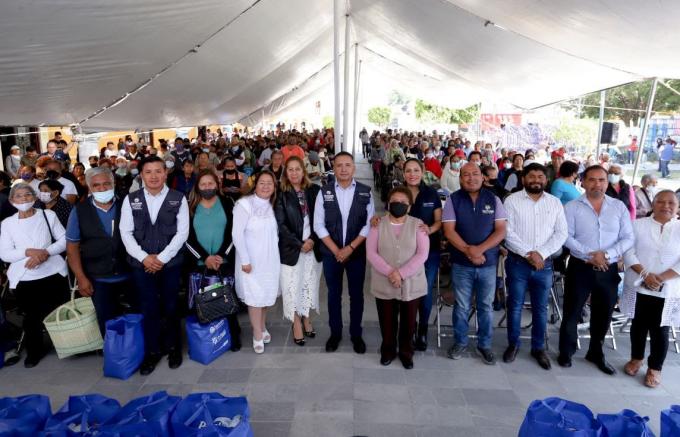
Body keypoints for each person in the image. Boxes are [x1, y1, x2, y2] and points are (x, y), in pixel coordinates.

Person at [558, 165, 634, 374]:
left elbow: (628, 237)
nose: (597, 184)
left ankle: (596, 353)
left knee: (603, 313)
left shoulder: (618, 207)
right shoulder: (572, 207)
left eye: (601, 180)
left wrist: (606, 255)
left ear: (607, 182)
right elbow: (566, 236)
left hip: (607, 268)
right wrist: (592, 255)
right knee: (572, 311)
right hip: (580, 266)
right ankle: (566, 352)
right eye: (592, 179)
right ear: (582, 181)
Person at [120, 156, 189, 375]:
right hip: (141, 265)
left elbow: (182, 233)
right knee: (148, 308)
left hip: (169, 264)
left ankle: (173, 347)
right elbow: (125, 232)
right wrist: (144, 258)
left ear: (165, 173)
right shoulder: (131, 199)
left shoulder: (178, 198)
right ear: (141, 175)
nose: (153, 176)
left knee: (170, 306)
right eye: (148, 172)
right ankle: (153, 351)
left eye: (158, 171)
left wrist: (161, 259)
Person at [502, 163, 568, 369]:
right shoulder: (512, 201)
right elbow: (507, 231)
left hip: (544, 264)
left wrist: (541, 254)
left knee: (541, 308)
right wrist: (528, 254)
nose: (536, 180)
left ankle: (538, 348)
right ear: (524, 179)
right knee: (515, 305)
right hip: (517, 263)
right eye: (532, 176)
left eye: (540, 177)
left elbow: (561, 233)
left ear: (546, 180)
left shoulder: (555, 203)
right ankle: (513, 344)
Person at [443, 162, 507, 365]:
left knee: (485, 306)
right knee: (461, 306)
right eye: (466, 175)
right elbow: (449, 231)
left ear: (483, 177)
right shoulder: (453, 200)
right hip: (462, 264)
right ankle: (460, 342)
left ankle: (484, 345)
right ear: (460, 178)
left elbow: (501, 230)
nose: (471, 178)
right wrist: (469, 251)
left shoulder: (494, 199)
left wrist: (479, 250)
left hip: (488, 264)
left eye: (475, 174)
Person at [0, 183, 69, 367]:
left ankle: (67, 344)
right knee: (31, 317)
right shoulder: (7, 224)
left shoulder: (48, 215)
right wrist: (29, 252)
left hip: (53, 270)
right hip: (25, 275)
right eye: (19, 196)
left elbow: (64, 240)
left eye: (28, 195)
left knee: (58, 310)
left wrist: (45, 253)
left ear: (35, 197)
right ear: (12, 201)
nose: (24, 199)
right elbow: (5, 253)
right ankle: (34, 351)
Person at [314, 152, 374, 354]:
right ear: (334, 167)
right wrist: (336, 250)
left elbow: (369, 225)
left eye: (347, 165)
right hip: (332, 254)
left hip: (356, 253)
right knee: (333, 295)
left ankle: (356, 334)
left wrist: (350, 248)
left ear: (354, 168)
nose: (343, 169)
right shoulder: (324, 192)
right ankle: (335, 333)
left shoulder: (366, 192)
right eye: (339, 165)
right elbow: (318, 225)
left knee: (356, 295)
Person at [621, 190, 680, 387]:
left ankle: (655, 368)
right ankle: (636, 358)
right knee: (638, 325)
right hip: (639, 284)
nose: (666, 206)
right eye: (661, 202)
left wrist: (661, 278)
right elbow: (628, 251)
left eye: (671, 202)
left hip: (667, 287)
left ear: (677, 206)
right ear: (652, 205)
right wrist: (646, 275)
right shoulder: (638, 225)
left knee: (660, 329)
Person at [66, 167, 133, 336]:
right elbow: (72, 247)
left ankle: (137, 354)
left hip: (130, 273)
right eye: (96, 186)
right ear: (89, 187)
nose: (102, 189)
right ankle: (115, 356)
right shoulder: (79, 211)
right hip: (98, 278)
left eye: (106, 184)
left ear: (114, 183)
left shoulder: (127, 204)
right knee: (108, 323)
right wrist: (81, 278)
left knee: (137, 319)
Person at [367, 187, 429, 369]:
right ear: (388, 203)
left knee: (409, 322)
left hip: (412, 282)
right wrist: (390, 272)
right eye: (395, 201)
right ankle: (388, 350)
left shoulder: (418, 225)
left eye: (403, 202)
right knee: (386, 320)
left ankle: (406, 352)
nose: (399, 205)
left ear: (409, 206)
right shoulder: (377, 224)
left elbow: (422, 254)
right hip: (383, 281)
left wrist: (400, 273)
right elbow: (371, 253)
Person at [185, 170, 242, 351]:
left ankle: (233, 335)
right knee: (203, 303)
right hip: (200, 264)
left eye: (211, 184)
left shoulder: (227, 203)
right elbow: (187, 237)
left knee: (227, 300)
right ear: (197, 187)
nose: (207, 187)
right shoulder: (190, 207)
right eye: (203, 184)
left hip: (223, 261)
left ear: (217, 185)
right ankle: (209, 338)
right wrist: (205, 258)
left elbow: (233, 232)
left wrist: (220, 256)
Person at [274, 157, 322, 346]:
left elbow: (321, 220)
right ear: (286, 173)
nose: (294, 173)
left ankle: (306, 318)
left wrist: (312, 241)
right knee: (292, 286)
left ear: (304, 171)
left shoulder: (314, 191)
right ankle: (296, 323)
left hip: (313, 246)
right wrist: (299, 244)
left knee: (309, 283)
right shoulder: (281, 194)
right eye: (290, 170)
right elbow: (281, 225)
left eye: (297, 169)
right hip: (291, 249)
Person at [232, 171, 280, 354]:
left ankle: (261, 325)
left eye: (270, 183)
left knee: (266, 296)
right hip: (251, 261)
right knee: (254, 298)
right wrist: (245, 260)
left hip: (270, 259)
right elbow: (237, 234)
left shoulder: (273, 204)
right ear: (255, 184)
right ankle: (256, 334)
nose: (266, 186)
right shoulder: (244, 204)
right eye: (262, 183)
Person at [402, 159, 442, 351]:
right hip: (403, 252)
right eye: (408, 171)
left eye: (416, 170)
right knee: (406, 291)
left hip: (429, 251)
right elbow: (390, 219)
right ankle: (409, 328)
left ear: (423, 171)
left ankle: (423, 330)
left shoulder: (431, 193)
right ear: (403, 174)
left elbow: (439, 221)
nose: (412, 174)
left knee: (425, 292)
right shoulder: (398, 194)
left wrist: (430, 229)